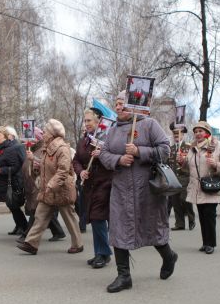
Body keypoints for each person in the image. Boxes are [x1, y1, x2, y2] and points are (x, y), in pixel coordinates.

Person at [98, 91, 178, 293]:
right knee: (118, 229)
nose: (117, 107)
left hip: (147, 190)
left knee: (152, 228)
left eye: (121, 103)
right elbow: (104, 154)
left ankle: (169, 256)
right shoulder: (113, 130)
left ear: (134, 106)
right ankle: (124, 276)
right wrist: (118, 160)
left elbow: (165, 151)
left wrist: (139, 152)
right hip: (120, 189)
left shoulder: (149, 124)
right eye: (116, 104)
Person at [17, 119, 84, 255]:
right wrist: (34, 163)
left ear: (53, 134)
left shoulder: (62, 149)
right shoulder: (46, 149)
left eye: (46, 131)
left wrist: (51, 184)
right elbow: (45, 167)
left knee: (69, 219)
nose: (44, 134)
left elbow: (63, 170)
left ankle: (78, 244)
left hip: (62, 190)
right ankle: (31, 244)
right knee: (39, 216)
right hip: (48, 190)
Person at [179, 121, 220, 254]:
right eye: (196, 132)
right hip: (197, 188)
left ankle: (211, 244)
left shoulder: (218, 146)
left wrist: (216, 164)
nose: (197, 134)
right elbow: (188, 168)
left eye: (200, 131)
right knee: (202, 216)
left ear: (207, 133)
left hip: (211, 186)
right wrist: (183, 163)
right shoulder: (192, 147)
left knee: (209, 216)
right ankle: (205, 242)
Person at [73, 108, 113, 268]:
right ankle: (100, 253)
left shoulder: (106, 139)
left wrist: (101, 154)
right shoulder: (83, 140)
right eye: (85, 120)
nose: (86, 123)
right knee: (94, 218)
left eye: (89, 120)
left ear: (98, 122)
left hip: (104, 183)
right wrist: (81, 171)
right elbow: (75, 160)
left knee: (97, 217)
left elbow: (112, 159)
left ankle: (104, 253)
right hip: (89, 185)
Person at [19, 126, 66, 243]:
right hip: (31, 184)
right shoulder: (30, 150)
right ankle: (58, 231)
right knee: (44, 210)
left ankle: (27, 237)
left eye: (28, 139)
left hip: (39, 184)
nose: (25, 141)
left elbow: (45, 166)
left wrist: (33, 161)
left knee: (36, 210)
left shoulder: (42, 150)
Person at [167, 122, 196, 231]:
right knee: (175, 202)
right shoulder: (171, 148)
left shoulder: (188, 147)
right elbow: (168, 163)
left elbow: (193, 163)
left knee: (185, 200)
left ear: (182, 135)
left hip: (185, 178)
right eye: (174, 134)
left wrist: (183, 161)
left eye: (178, 134)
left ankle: (191, 218)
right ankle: (180, 223)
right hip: (173, 179)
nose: (176, 136)